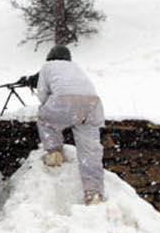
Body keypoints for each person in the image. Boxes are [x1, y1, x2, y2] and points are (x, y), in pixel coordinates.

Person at [24, 44, 106, 205]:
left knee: (45, 119)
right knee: (90, 150)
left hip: (64, 100)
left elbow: (42, 95)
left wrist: (55, 110)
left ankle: (54, 152)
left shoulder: (47, 67)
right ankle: (93, 192)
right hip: (92, 104)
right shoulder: (75, 67)